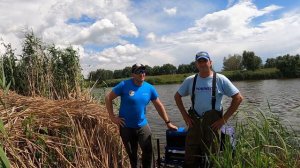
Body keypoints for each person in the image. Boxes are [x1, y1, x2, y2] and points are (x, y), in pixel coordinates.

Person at [174, 51, 243, 168]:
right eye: (199, 61)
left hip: (213, 125)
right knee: (191, 156)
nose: (202, 64)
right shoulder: (190, 80)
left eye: (204, 61)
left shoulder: (220, 79)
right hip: (194, 124)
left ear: (210, 62)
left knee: (212, 157)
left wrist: (223, 120)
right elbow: (177, 96)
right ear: (196, 64)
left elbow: (238, 98)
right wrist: (185, 116)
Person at [105, 63, 178, 168]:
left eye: (143, 71)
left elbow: (159, 106)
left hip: (142, 125)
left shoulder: (149, 88)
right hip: (126, 127)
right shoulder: (124, 85)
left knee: (148, 151)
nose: (142, 73)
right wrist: (112, 117)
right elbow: (108, 98)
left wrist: (168, 122)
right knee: (132, 156)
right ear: (133, 74)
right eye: (139, 71)